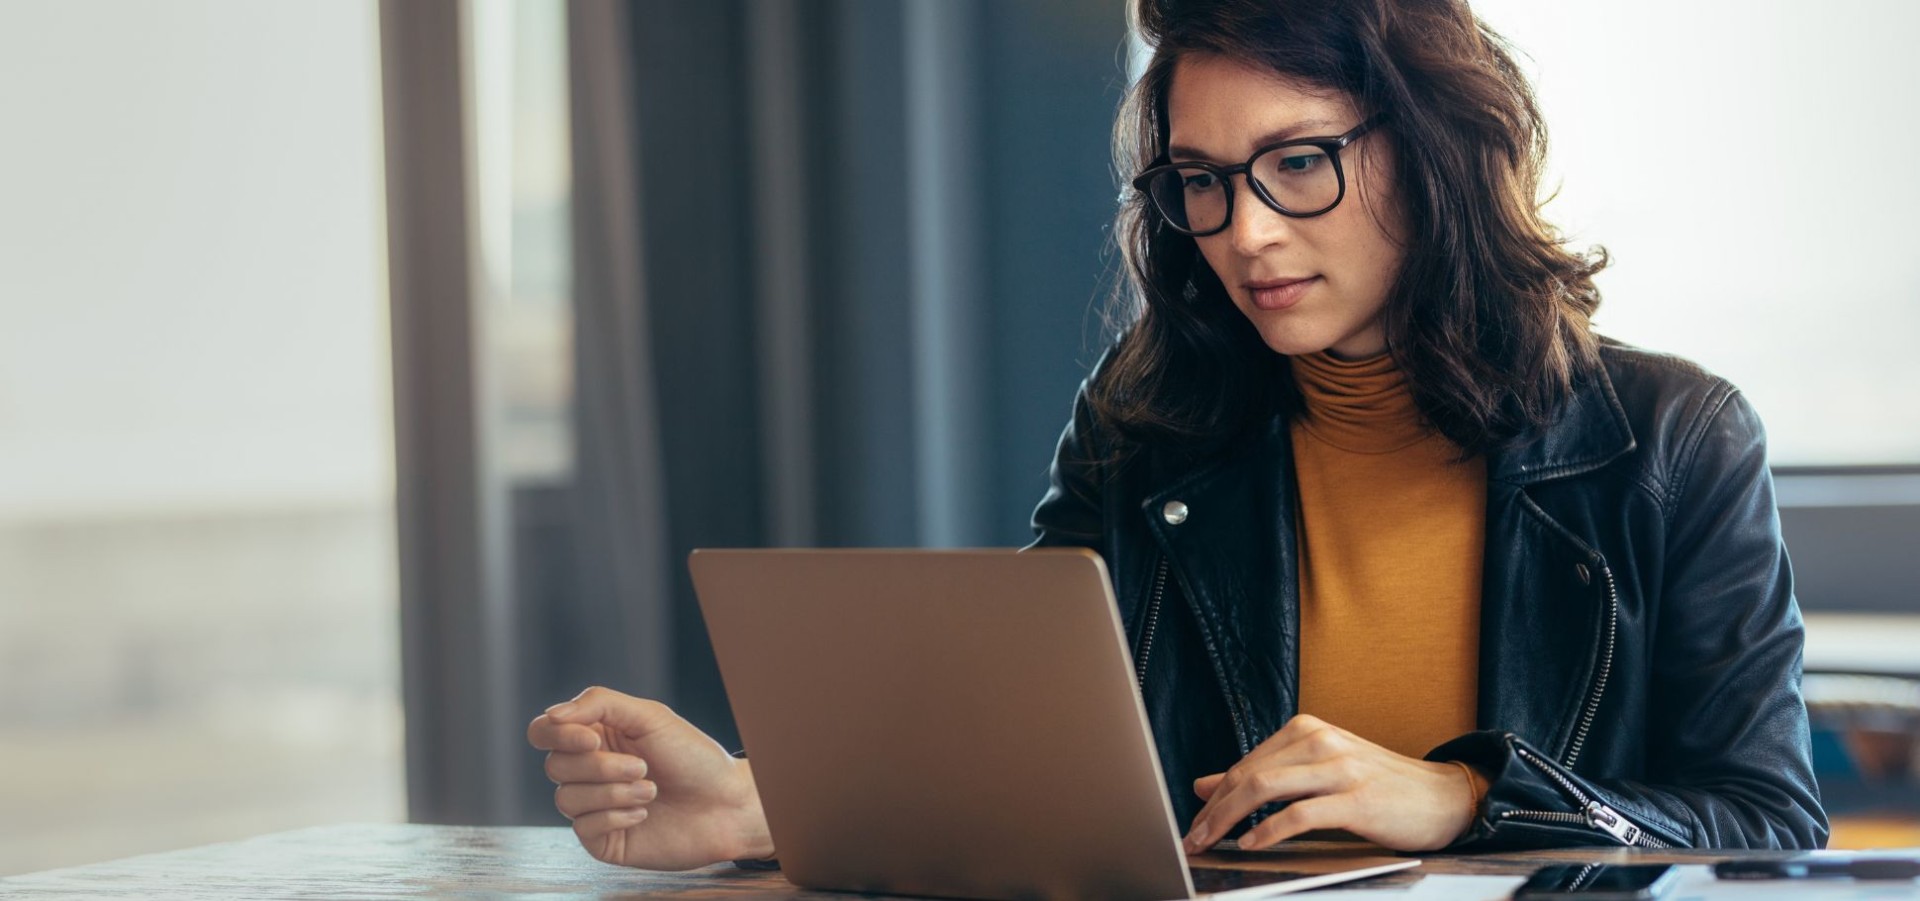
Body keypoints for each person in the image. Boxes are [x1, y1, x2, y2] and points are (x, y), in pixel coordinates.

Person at [526, 0, 1828, 869]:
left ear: (1434, 148)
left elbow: (1770, 830)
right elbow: (1026, 756)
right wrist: (764, 801)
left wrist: (1469, 800)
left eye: (1298, 163)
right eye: (1201, 180)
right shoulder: (1148, 418)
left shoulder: (1671, 440)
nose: (1246, 230)